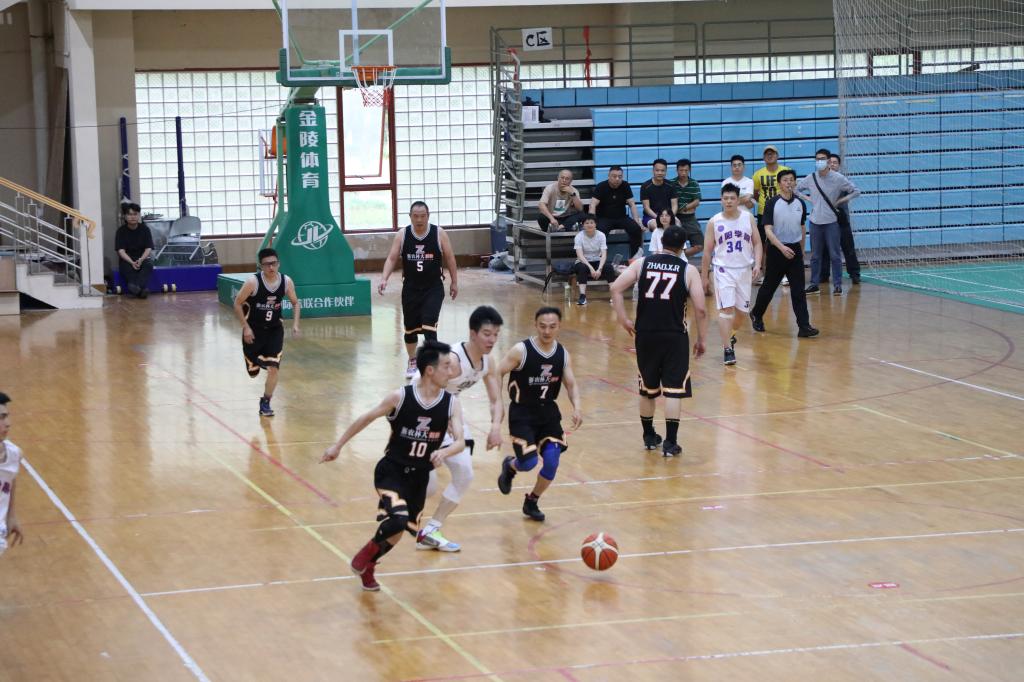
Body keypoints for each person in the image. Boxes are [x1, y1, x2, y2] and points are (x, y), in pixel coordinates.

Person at [321, 341, 465, 591]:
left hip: (419, 477)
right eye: (446, 366)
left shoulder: (451, 403)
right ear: (430, 370)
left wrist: (445, 451)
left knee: (398, 532)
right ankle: (363, 556)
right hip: (392, 471)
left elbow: (460, 441)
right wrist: (338, 445)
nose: (451, 372)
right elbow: (366, 418)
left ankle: (369, 567)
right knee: (398, 520)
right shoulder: (400, 397)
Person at [610, 225, 707, 457]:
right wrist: (702, 339)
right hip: (674, 335)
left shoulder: (642, 263)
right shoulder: (688, 270)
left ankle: (648, 436)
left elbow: (615, 288)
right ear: (683, 247)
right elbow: (701, 309)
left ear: (661, 242)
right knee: (673, 390)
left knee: (648, 388)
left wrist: (623, 319)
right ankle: (670, 444)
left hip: (645, 334)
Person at [416, 306, 505, 553]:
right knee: (428, 488)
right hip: (425, 416)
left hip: (450, 415)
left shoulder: (487, 362)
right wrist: (435, 413)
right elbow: (419, 386)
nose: (492, 340)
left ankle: (431, 530)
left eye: (496, 335)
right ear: (473, 334)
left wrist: (495, 427)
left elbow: (496, 399)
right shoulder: (453, 361)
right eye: (487, 334)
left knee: (465, 474)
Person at [496, 307, 582, 522]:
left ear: (559, 326)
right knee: (528, 463)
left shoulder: (562, 354)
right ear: (535, 325)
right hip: (522, 413)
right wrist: (497, 403)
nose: (547, 331)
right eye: (542, 326)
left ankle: (532, 501)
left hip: (548, 413)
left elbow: (571, 384)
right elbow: (498, 372)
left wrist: (577, 408)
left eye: (552, 327)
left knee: (552, 461)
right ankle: (510, 466)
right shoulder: (521, 350)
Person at [378, 202, 459, 378]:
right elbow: (392, 258)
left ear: (428, 216)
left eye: (423, 216)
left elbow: (450, 258)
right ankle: (413, 360)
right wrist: (384, 278)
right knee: (410, 329)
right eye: (415, 216)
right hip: (411, 288)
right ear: (410, 217)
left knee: (429, 326)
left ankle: (433, 363)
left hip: (433, 287)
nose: (419, 219)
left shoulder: (438, 233)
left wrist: (454, 282)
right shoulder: (403, 234)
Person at [749, 170, 820, 338]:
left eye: (791, 180)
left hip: (794, 251)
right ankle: (756, 314)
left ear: (795, 183)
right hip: (776, 250)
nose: (789, 183)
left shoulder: (800, 204)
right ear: (779, 183)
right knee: (769, 287)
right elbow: (768, 230)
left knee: (798, 291)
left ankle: (804, 326)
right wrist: (782, 248)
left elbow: (802, 228)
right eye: (785, 180)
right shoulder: (771, 203)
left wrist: (801, 251)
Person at [233, 248, 301, 417]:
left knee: (273, 368)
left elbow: (295, 303)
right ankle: (257, 361)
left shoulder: (286, 282)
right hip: (254, 331)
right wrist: (245, 327)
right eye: (267, 264)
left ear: (279, 264)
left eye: (274, 263)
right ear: (261, 266)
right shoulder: (253, 282)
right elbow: (237, 303)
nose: (271, 267)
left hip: (274, 330)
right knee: (253, 373)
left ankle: (265, 402)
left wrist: (296, 325)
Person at [700, 184, 763, 366]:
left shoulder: (748, 218)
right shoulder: (714, 222)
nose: (728, 201)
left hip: (744, 270)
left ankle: (731, 335)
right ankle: (727, 349)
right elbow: (707, 252)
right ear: (721, 200)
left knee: (742, 313)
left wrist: (758, 263)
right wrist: (704, 277)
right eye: (725, 198)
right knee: (726, 310)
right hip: (723, 270)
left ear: (738, 200)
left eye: (732, 198)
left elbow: (757, 243)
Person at [797, 149, 861, 296]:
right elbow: (796, 189)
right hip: (815, 222)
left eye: (822, 159)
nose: (819, 161)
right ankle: (814, 284)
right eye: (817, 159)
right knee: (815, 256)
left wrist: (842, 200)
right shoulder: (811, 178)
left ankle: (837, 285)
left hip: (832, 222)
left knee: (835, 255)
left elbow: (856, 191)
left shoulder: (838, 178)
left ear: (827, 160)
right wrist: (807, 198)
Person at [820, 153, 862, 285]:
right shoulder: (821, 180)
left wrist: (843, 200)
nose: (832, 164)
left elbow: (855, 191)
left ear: (839, 165)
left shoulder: (843, 180)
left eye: (835, 162)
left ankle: (854, 273)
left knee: (848, 247)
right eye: (830, 162)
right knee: (825, 248)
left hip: (841, 219)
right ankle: (823, 274)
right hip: (826, 219)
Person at [752, 146, 791, 284]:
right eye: (767, 154)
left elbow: (790, 189)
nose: (770, 156)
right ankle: (763, 273)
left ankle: (785, 274)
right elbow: (756, 194)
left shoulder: (785, 171)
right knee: (763, 245)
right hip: (764, 213)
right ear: (764, 157)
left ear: (777, 155)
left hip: (783, 212)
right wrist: (766, 205)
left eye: (772, 153)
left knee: (784, 242)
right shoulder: (758, 174)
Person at [589, 166, 645, 258]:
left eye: (620, 176)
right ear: (609, 176)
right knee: (600, 232)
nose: (617, 179)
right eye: (614, 176)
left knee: (636, 229)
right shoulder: (601, 186)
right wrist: (592, 222)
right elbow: (593, 205)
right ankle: (598, 259)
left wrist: (637, 221)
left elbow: (632, 204)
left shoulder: (625, 185)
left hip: (621, 217)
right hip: (604, 218)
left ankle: (635, 258)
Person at [572, 216, 616, 306]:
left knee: (609, 267)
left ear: (595, 224)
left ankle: (614, 294)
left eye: (592, 223)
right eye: (587, 223)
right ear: (583, 225)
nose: (589, 225)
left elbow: (604, 254)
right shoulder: (579, 236)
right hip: (583, 261)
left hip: (597, 260)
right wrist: (591, 268)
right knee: (582, 268)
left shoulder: (601, 235)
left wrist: (599, 269)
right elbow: (580, 255)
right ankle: (582, 296)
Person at [114, 202, 155, 298]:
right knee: (126, 268)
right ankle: (141, 290)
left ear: (139, 215)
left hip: (142, 258)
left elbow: (148, 248)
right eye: (130, 214)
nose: (133, 217)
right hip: (127, 260)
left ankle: (135, 287)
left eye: (135, 214)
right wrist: (132, 262)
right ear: (125, 216)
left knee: (149, 265)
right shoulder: (121, 231)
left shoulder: (145, 229)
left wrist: (141, 259)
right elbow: (121, 251)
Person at [0, 392, 23, 558]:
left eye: (6, 416)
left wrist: (11, 515)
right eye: (1, 418)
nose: (8, 423)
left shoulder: (14, 454)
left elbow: (10, 479)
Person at [670, 159, 704, 262]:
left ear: (689, 170)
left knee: (700, 245)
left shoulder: (694, 183)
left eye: (686, 170)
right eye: (681, 170)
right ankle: (677, 259)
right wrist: (686, 207)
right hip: (676, 218)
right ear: (677, 170)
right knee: (675, 244)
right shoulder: (671, 183)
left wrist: (683, 207)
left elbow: (696, 202)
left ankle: (679, 256)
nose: (684, 173)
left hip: (690, 218)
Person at [640, 159, 678, 229]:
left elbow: (674, 205)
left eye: (662, 171)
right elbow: (646, 208)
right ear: (653, 171)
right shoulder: (645, 186)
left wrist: (669, 217)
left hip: (668, 215)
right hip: (651, 217)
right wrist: (659, 218)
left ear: (666, 171)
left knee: (678, 224)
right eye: (657, 170)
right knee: (656, 226)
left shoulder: (671, 185)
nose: (660, 173)